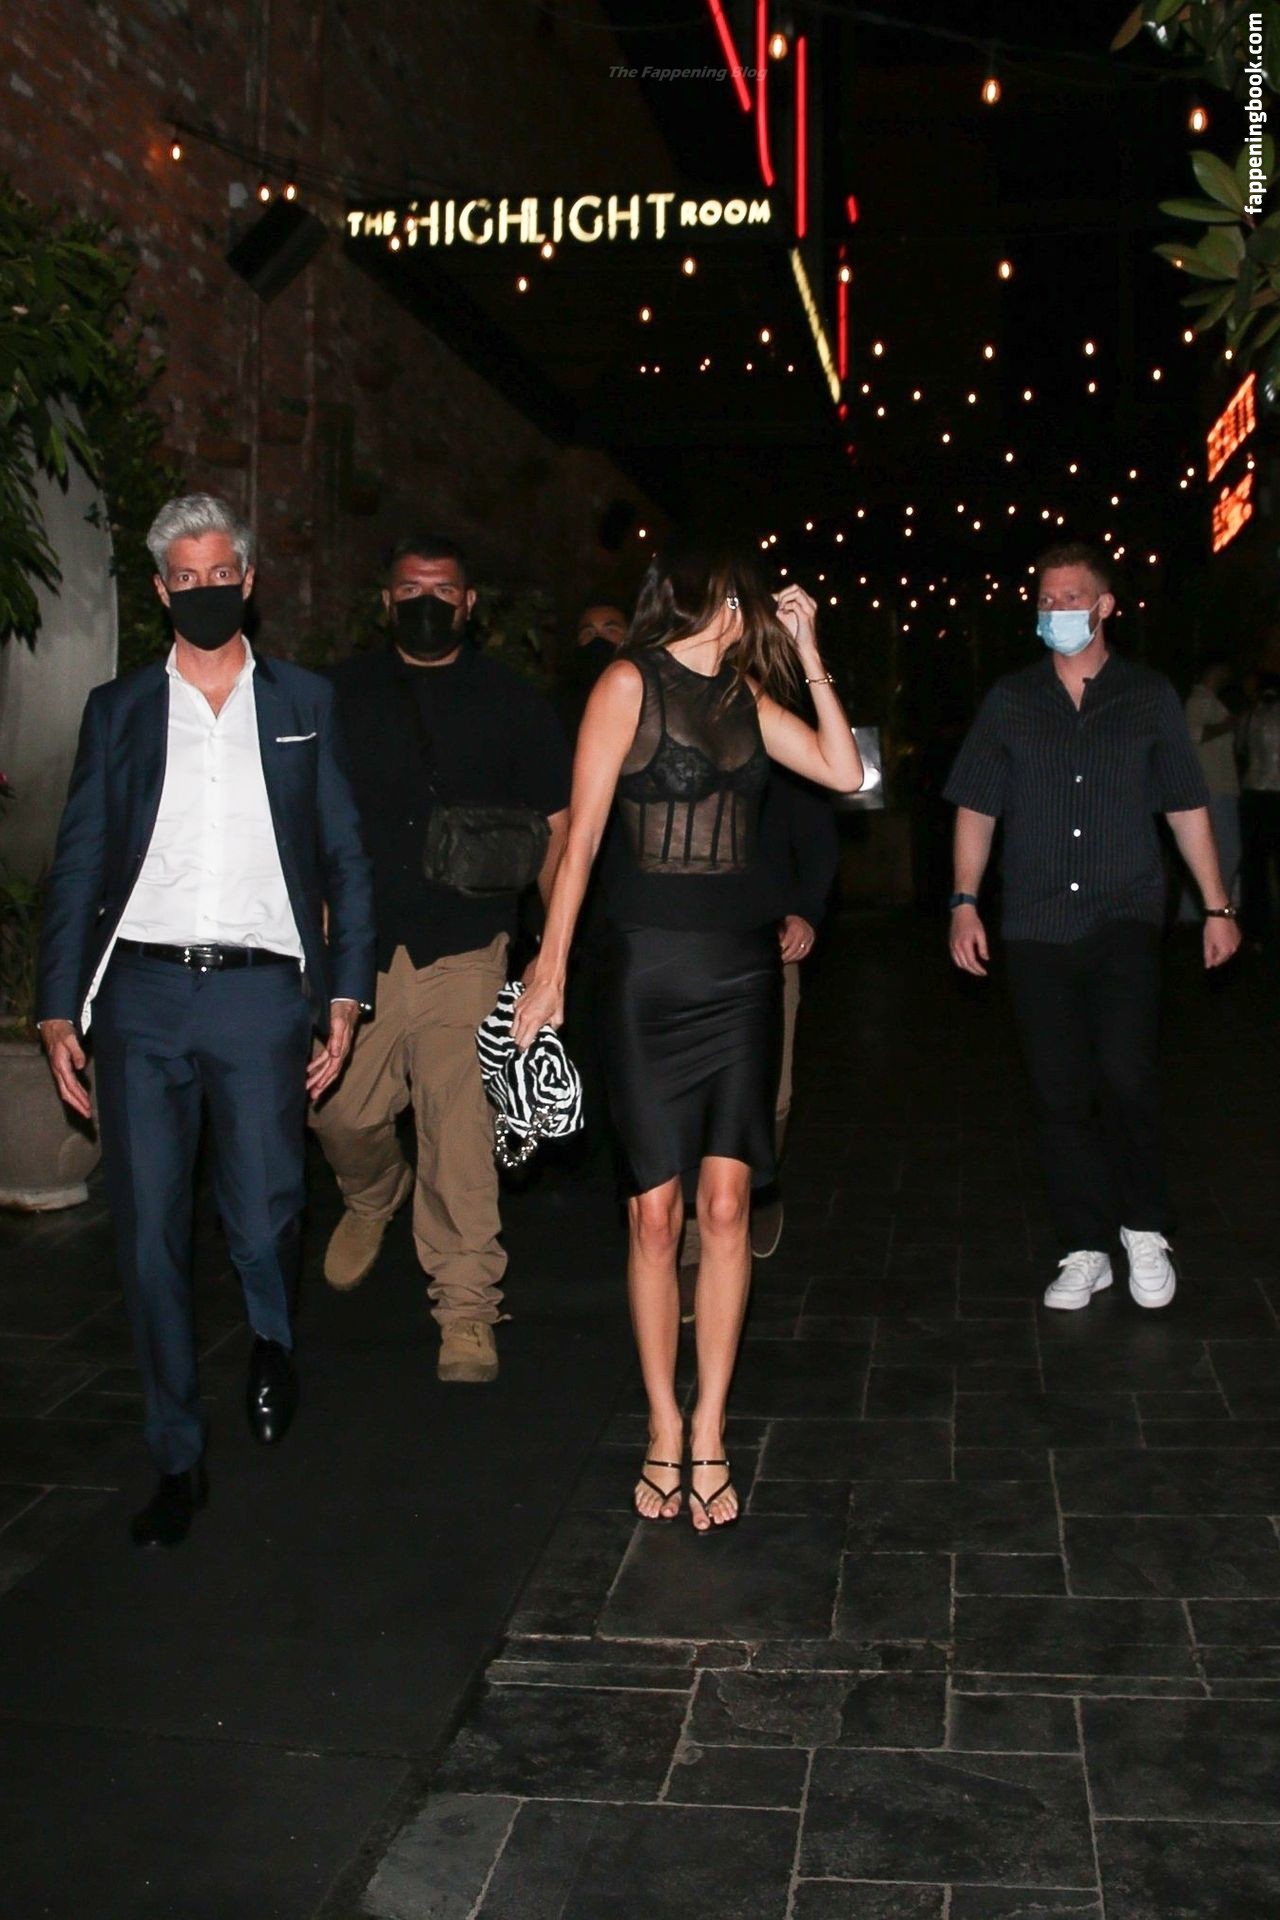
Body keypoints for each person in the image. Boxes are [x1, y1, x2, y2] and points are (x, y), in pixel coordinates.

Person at [36, 493, 375, 1549]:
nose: (204, 590)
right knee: (147, 1235)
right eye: (184, 578)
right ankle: (176, 1456)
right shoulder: (120, 710)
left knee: (266, 1212)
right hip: (140, 996)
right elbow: (80, 859)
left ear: (249, 579)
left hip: (259, 993)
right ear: (160, 590)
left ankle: (271, 1337)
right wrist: (57, 1004)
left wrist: (345, 994)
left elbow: (345, 858)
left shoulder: (304, 701)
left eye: (220, 572)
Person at [513, 538, 862, 1530]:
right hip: (644, 976)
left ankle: (710, 1426)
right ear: (723, 598)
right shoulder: (628, 682)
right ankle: (661, 1423)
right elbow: (581, 839)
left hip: (740, 976)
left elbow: (842, 770)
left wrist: (811, 654)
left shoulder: (748, 698)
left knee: (725, 1207)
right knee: (654, 1216)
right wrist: (549, 967)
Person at [946, 541, 1240, 1313]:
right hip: (1035, 921)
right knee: (1058, 1091)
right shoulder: (1011, 699)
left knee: (1127, 1073)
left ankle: (1143, 1227)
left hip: (1125, 914)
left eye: (1071, 597)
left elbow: (1185, 805)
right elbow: (976, 805)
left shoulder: (1149, 696)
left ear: (1106, 606)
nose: (1057, 611)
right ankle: (1085, 1246)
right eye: (1046, 599)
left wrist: (1217, 907)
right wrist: (964, 900)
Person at [312, 534, 571, 1385]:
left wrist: (552, 949)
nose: (426, 603)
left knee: (458, 1134)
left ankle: (466, 1311)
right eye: (410, 589)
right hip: (357, 947)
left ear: (469, 604)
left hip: (467, 943)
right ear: (387, 600)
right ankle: (371, 1193)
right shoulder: (338, 694)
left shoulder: (512, 702)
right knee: (339, 1113)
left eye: (443, 591)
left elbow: (558, 826)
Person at [679, 766, 839, 1295]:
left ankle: (759, 1182)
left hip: (766, 941)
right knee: (690, 1099)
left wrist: (806, 912)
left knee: (772, 1089)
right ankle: (695, 1239)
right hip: (680, 941)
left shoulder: (775, 744)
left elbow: (817, 837)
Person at [1183, 652, 1240, 916]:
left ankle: (1196, 911)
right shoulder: (1200, 701)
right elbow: (1193, 734)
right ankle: (1215, 908)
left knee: (1211, 850)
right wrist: (1227, 726)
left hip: (1219, 785)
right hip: (1214, 787)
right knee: (1226, 850)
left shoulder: (1210, 701)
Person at [1238, 674, 1280, 947]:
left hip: (1253, 794)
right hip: (1274, 793)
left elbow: (1241, 748)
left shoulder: (1249, 716)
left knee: (1255, 864)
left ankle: (1256, 928)